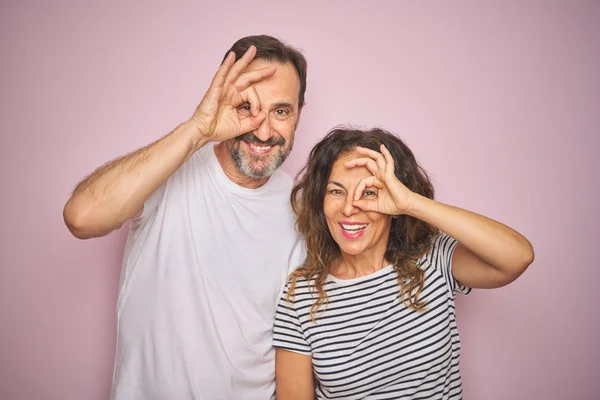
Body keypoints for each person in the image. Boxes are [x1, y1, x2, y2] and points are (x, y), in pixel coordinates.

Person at [63, 35, 307, 399]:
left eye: (281, 111)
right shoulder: (166, 173)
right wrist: (197, 130)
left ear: (300, 112)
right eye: (246, 107)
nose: (264, 130)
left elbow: (295, 348)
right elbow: (81, 217)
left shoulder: (304, 210)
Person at [273, 127, 534, 399]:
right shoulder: (301, 296)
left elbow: (517, 257)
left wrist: (410, 203)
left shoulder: (432, 259)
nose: (349, 208)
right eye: (336, 191)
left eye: (370, 193)